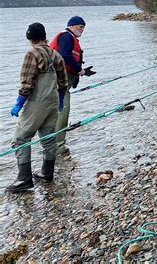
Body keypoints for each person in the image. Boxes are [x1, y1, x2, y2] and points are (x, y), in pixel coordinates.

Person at [6, 23, 68, 192]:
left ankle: (24, 179)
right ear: (44, 36)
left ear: (30, 37)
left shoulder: (32, 54)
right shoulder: (56, 54)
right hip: (53, 101)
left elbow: (27, 82)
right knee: (48, 137)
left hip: (36, 103)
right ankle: (47, 173)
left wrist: (19, 103)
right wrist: (61, 99)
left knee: (20, 138)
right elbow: (63, 82)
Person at [50, 16, 95, 151]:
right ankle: (58, 146)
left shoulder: (69, 37)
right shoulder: (66, 37)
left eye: (83, 27)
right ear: (71, 26)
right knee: (63, 110)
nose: (82, 30)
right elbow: (65, 56)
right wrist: (79, 69)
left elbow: (68, 57)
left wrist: (82, 71)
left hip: (61, 80)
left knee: (58, 110)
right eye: (80, 27)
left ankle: (52, 142)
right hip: (59, 81)